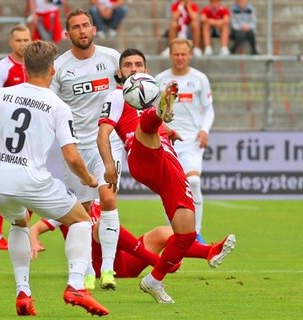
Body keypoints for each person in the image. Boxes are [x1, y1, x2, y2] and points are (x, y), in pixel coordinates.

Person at [0, 40, 109, 317]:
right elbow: (72, 157)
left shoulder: (1, 95)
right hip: (30, 180)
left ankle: (23, 292)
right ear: (52, 70)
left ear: (25, 68)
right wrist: (89, 179)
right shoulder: (57, 104)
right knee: (80, 220)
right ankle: (76, 285)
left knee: (18, 222)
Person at [97, 46, 234, 303]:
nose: (134, 69)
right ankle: (161, 112)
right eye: (128, 66)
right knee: (148, 122)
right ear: (120, 72)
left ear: (146, 71)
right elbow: (103, 133)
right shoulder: (116, 97)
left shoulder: (147, 95)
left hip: (165, 157)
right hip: (141, 154)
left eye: (138, 65)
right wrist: (109, 166)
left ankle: (155, 280)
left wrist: (167, 131)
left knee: (185, 234)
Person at [51, 8, 124, 290]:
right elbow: (50, 106)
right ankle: (88, 270)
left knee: (108, 200)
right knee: (81, 213)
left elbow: (130, 93)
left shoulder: (111, 59)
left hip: (108, 142)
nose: (82, 31)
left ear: (94, 29)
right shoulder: (59, 67)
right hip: (75, 147)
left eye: (86, 26)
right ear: (67, 34)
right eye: (76, 27)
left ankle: (108, 269)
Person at [30, 199, 235, 289]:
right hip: (102, 269)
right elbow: (35, 228)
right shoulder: (66, 210)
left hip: (126, 260)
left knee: (164, 232)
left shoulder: (99, 203)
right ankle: (159, 263)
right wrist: (34, 240)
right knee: (103, 225)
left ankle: (209, 251)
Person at [155, 38, 215, 245]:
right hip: (167, 142)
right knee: (170, 189)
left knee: (194, 182)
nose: (180, 57)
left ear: (190, 55)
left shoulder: (199, 79)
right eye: (176, 54)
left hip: (191, 141)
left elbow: (208, 109)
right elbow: (154, 111)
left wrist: (204, 130)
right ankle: (173, 234)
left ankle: (195, 234)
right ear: (170, 54)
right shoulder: (160, 80)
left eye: (183, 54)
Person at [0, 24, 31, 250]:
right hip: (5, 135)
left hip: (30, 134)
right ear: (11, 43)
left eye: (26, 40)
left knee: (33, 180)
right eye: (19, 40)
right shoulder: (2, 68)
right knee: (2, 183)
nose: (23, 44)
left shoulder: (37, 66)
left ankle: (24, 231)